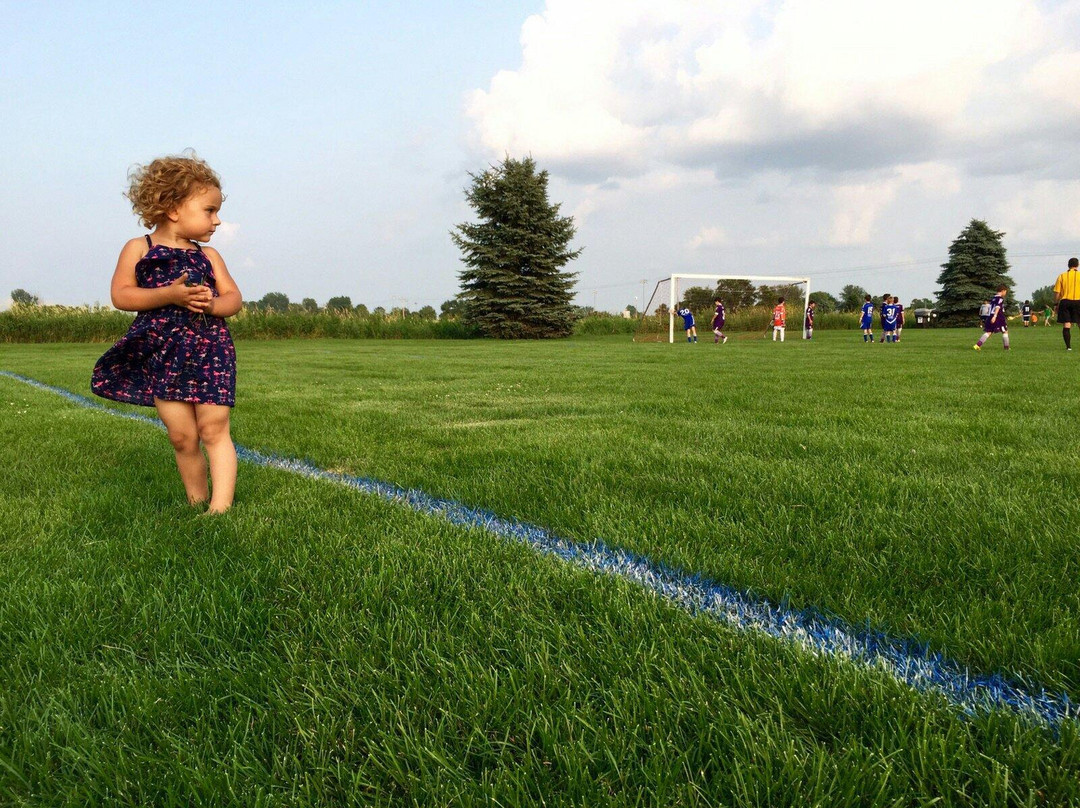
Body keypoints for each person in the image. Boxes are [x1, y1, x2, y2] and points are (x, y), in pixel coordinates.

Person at [91, 153, 242, 513]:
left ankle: (219, 510)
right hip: (163, 353)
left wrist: (211, 305)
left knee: (214, 428)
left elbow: (234, 298)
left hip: (210, 351)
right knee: (182, 436)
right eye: (209, 210)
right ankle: (195, 501)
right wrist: (170, 294)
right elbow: (121, 295)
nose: (217, 220)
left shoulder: (209, 257)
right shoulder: (138, 249)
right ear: (174, 208)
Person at [1053, 258, 1080, 351]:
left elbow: (1057, 292)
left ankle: (1068, 347)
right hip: (1078, 301)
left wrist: (1056, 304)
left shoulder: (1062, 276)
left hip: (1065, 301)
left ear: (1068, 265)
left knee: (1067, 324)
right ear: (1078, 265)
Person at [973, 285, 1010, 351]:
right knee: (1005, 331)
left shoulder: (993, 298)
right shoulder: (1000, 299)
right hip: (998, 318)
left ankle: (977, 345)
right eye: (1005, 292)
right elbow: (997, 307)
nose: (1005, 293)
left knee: (989, 332)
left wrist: (992, 316)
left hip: (990, 316)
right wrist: (995, 316)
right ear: (1003, 291)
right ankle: (1006, 348)